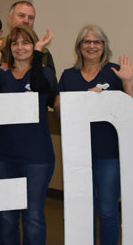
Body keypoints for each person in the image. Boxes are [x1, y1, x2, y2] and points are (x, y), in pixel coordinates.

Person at [55, 25, 133, 245]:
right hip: (78, 155)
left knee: (108, 210)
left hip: (109, 154)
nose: (91, 46)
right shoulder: (69, 76)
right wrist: (82, 99)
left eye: (97, 41)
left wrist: (127, 81)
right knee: (82, 211)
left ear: (104, 46)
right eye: (86, 42)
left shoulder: (115, 72)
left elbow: (130, 110)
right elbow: (59, 111)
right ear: (79, 47)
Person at [0, 25, 55, 245]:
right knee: (5, 217)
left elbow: (38, 88)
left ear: (33, 46)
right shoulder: (2, 73)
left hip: (36, 158)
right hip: (1, 156)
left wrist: (38, 54)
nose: (19, 47)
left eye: (25, 42)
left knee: (33, 216)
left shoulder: (44, 72)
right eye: (14, 43)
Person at [0, 1, 56, 77]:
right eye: (21, 16)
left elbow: (52, 87)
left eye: (31, 18)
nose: (26, 21)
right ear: (10, 19)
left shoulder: (43, 52)